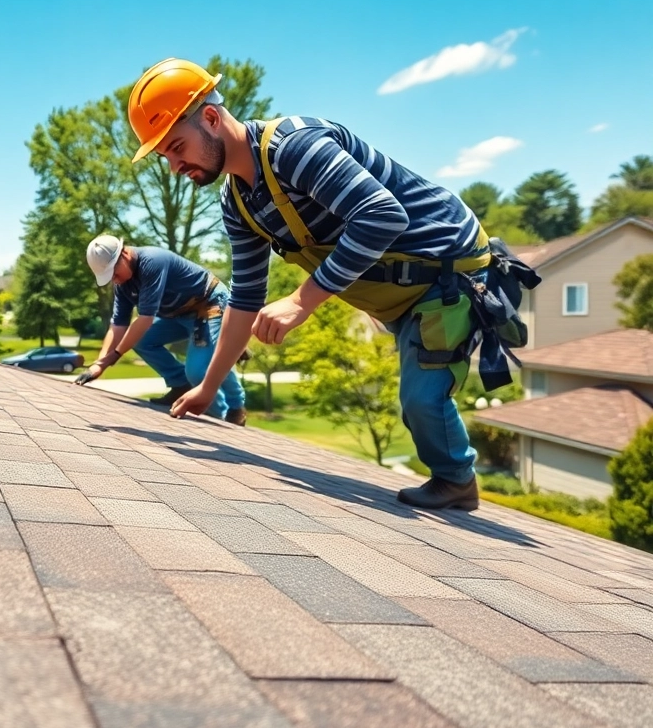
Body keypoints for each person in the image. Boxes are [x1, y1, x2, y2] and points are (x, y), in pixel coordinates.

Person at [128, 57, 524, 511]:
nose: (175, 165)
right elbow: (246, 296)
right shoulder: (238, 202)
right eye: (165, 156)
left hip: (447, 272)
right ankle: (454, 477)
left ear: (212, 119)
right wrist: (208, 387)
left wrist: (302, 300)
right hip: (396, 293)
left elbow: (382, 215)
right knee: (420, 400)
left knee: (421, 402)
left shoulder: (295, 146)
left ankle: (456, 481)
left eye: (177, 147)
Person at [76, 234, 247, 424]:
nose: (114, 280)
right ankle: (180, 384)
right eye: (109, 278)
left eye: (114, 274)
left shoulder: (152, 262)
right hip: (176, 315)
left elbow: (145, 320)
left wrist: (114, 356)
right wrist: (99, 364)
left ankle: (232, 410)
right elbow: (117, 326)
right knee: (141, 341)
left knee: (198, 372)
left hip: (208, 305)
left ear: (124, 254)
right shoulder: (123, 286)